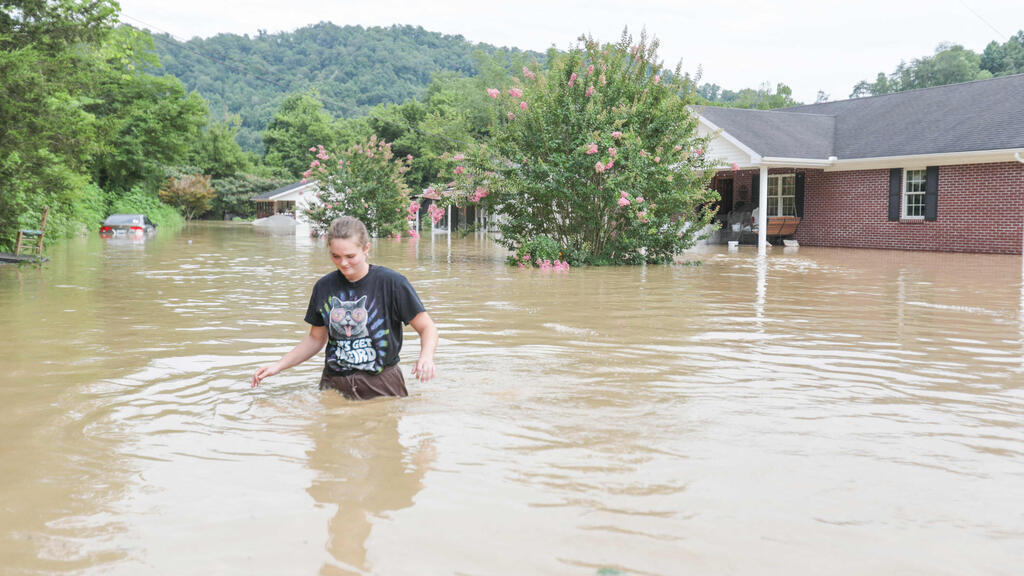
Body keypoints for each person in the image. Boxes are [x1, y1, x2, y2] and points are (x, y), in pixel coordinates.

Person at [252, 216, 437, 399]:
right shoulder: (324, 287)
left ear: (366, 248)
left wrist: (426, 357)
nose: (343, 263)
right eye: (336, 256)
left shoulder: (392, 283)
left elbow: (427, 328)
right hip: (334, 383)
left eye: (350, 256)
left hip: (382, 383)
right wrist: (278, 365)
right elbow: (315, 339)